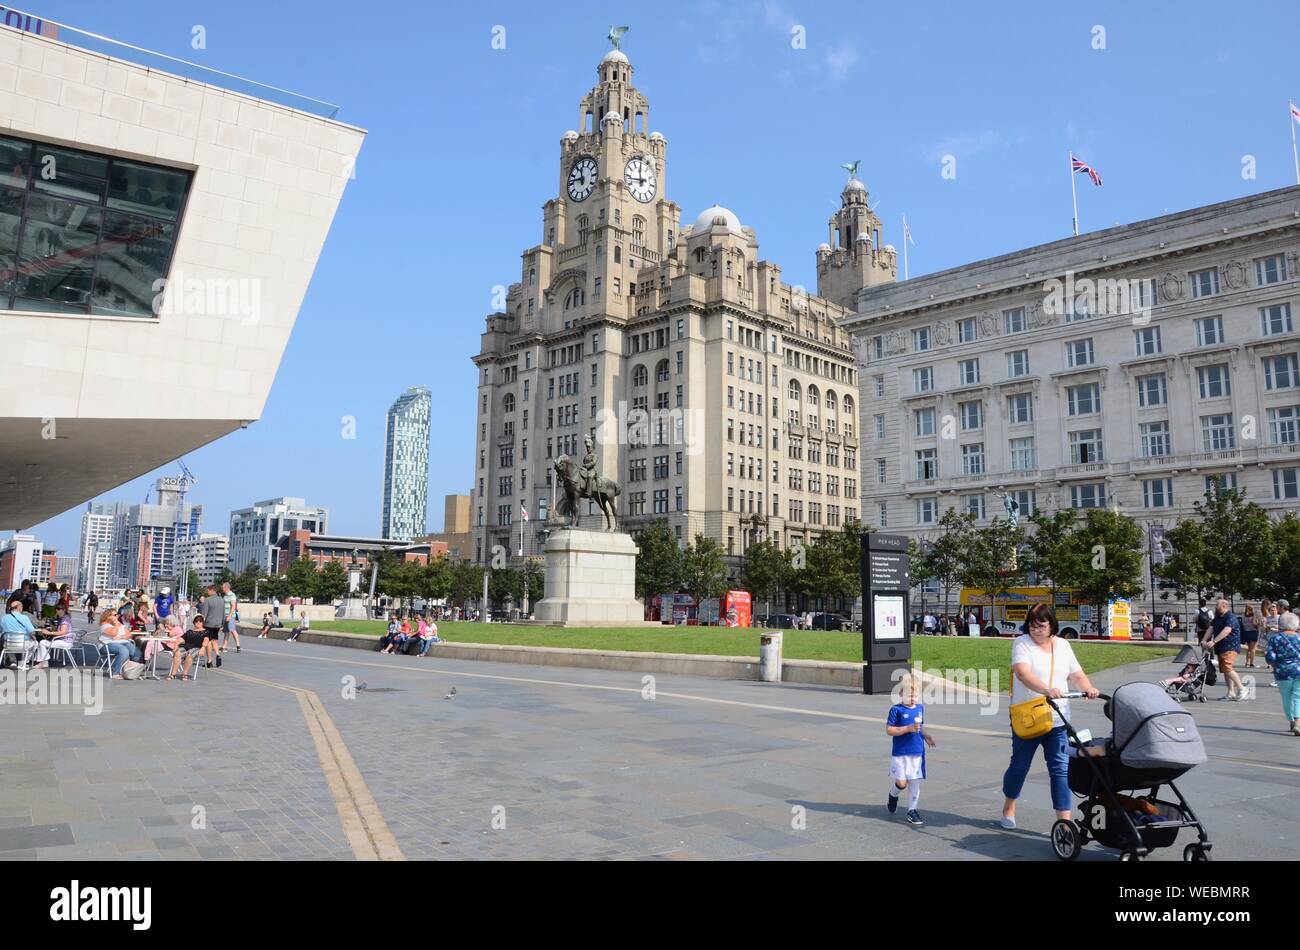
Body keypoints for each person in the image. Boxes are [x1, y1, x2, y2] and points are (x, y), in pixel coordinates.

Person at [1000, 603, 1100, 830]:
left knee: (1061, 769)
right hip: (1028, 718)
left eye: (1041, 626)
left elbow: (1077, 674)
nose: (1036, 630)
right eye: (1032, 626)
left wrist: (1088, 687)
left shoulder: (1063, 645)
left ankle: (1063, 822)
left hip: (1058, 718)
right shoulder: (1021, 643)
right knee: (1019, 766)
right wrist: (1046, 689)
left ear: (1051, 624)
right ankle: (1009, 805)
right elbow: (1023, 674)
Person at [885, 671, 935, 827]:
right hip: (900, 753)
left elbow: (919, 727)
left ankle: (912, 810)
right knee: (901, 783)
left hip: (917, 752)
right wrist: (907, 728)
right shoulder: (896, 710)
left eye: (915, 696)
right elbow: (889, 730)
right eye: (909, 696)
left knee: (915, 782)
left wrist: (925, 735)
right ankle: (893, 795)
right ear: (901, 693)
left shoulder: (919, 708)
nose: (912, 699)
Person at [1264, 612, 1300, 736]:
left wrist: (1275, 666)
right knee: (1297, 697)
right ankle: (1298, 722)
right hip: (1299, 671)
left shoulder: (1276, 638)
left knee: (1286, 698)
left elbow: (1270, 657)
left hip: (1282, 672)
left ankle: (1291, 720)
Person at [1204, 598, 1246, 701]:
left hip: (1230, 646)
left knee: (1227, 668)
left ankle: (1242, 688)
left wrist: (1214, 641)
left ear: (1224, 606)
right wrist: (1204, 640)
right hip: (1221, 647)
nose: (1215, 607)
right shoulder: (1218, 617)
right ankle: (1230, 692)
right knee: (1225, 670)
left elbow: (1227, 630)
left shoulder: (1230, 617)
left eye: (1217, 605)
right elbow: (1211, 628)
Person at [98, 607, 141, 678]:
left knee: (136, 652)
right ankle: (115, 673)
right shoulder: (104, 625)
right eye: (114, 615)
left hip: (123, 642)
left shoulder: (119, 624)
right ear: (108, 616)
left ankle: (130, 671)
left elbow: (129, 634)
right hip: (107, 644)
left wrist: (121, 637)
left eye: (117, 614)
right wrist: (116, 623)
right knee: (124, 651)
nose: (117, 616)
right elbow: (113, 633)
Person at [168, 615, 208, 681]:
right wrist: (176, 646)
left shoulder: (205, 632)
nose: (198, 622)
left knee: (189, 655)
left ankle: (185, 674)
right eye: (196, 621)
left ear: (202, 623)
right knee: (177, 653)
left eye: (200, 621)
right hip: (186, 646)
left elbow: (206, 640)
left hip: (197, 647)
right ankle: (173, 674)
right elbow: (180, 639)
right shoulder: (189, 631)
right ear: (194, 622)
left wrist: (203, 648)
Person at [2, 597, 37, 667]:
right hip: (22, 644)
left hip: (7, 644)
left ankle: (13, 662)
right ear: (19, 608)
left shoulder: (3, 618)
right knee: (35, 643)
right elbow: (32, 631)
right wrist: (32, 635)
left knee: (9, 641)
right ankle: (23, 662)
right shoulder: (24, 618)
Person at [198, 584, 225, 668]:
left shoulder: (208, 600)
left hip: (209, 623)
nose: (207, 592)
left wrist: (200, 624)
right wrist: (222, 624)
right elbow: (224, 613)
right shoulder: (221, 600)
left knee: (208, 641)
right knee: (214, 640)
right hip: (218, 624)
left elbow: (204, 614)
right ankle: (217, 654)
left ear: (211, 590)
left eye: (208, 590)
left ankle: (209, 661)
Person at [219, 581, 241, 654]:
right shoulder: (225, 595)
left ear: (226, 587)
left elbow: (233, 607)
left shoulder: (232, 595)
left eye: (223, 587)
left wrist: (230, 615)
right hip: (225, 615)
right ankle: (224, 646)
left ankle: (238, 645)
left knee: (232, 630)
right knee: (226, 631)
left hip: (230, 615)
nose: (222, 589)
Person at [1241, 604, 1260, 669]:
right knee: (1253, 649)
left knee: (1248, 649)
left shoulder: (1243, 616)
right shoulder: (1253, 616)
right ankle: (1251, 663)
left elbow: (1243, 624)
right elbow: (1255, 624)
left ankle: (1247, 662)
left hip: (1246, 632)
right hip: (1253, 632)